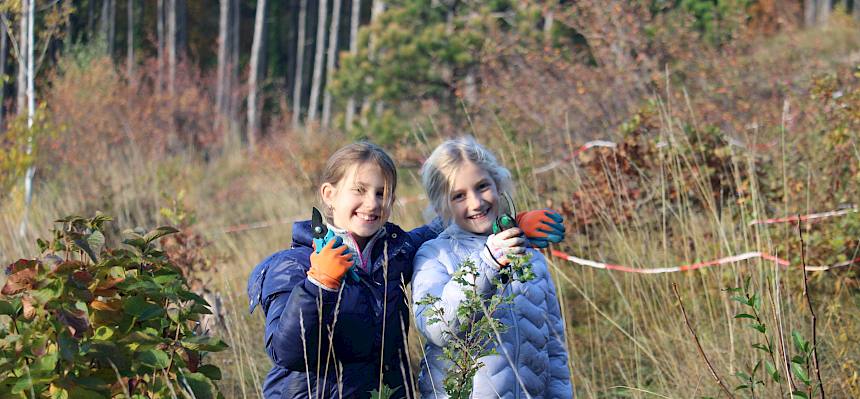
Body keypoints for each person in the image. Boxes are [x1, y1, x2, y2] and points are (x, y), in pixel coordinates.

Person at [247, 141, 563, 398]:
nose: (372, 203)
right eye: (359, 190)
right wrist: (319, 285)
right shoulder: (292, 265)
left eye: (381, 192)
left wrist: (509, 223)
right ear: (329, 195)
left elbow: (451, 217)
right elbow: (285, 352)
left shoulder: (395, 252)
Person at [412, 136, 572, 398]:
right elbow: (438, 330)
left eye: (482, 186)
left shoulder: (530, 255)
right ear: (442, 204)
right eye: (459, 196)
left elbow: (554, 348)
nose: (476, 202)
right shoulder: (434, 255)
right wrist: (489, 262)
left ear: (498, 185)